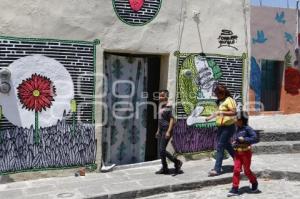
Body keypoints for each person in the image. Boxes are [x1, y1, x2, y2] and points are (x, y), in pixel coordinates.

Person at [206, 84, 237, 176]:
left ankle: (217, 169)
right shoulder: (221, 101)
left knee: (220, 146)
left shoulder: (229, 100)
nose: (217, 96)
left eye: (218, 94)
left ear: (223, 93)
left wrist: (221, 112)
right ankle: (239, 161)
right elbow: (218, 113)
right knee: (227, 145)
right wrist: (209, 117)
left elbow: (234, 112)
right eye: (216, 94)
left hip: (228, 127)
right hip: (221, 127)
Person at [227, 111, 259, 197]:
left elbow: (255, 138)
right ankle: (234, 188)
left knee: (247, 171)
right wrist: (235, 142)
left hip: (246, 153)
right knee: (236, 170)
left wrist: (244, 139)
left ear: (241, 120)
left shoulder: (248, 129)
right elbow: (238, 140)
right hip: (237, 153)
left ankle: (254, 182)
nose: (235, 120)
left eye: (236, 118)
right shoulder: (237, 128)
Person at [155, 89, 183, 174]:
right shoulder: (161, 106)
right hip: (161, 130)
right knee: (161, 151)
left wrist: (168, 131)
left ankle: (177, 162)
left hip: (166, 130)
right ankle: (165, 167)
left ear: (167, 96)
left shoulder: (169, 106)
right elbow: (160, 119)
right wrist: (158, 130)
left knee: (162, 149)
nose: (160, 97)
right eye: (160, 95)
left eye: (162, 95)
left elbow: (172, 119)